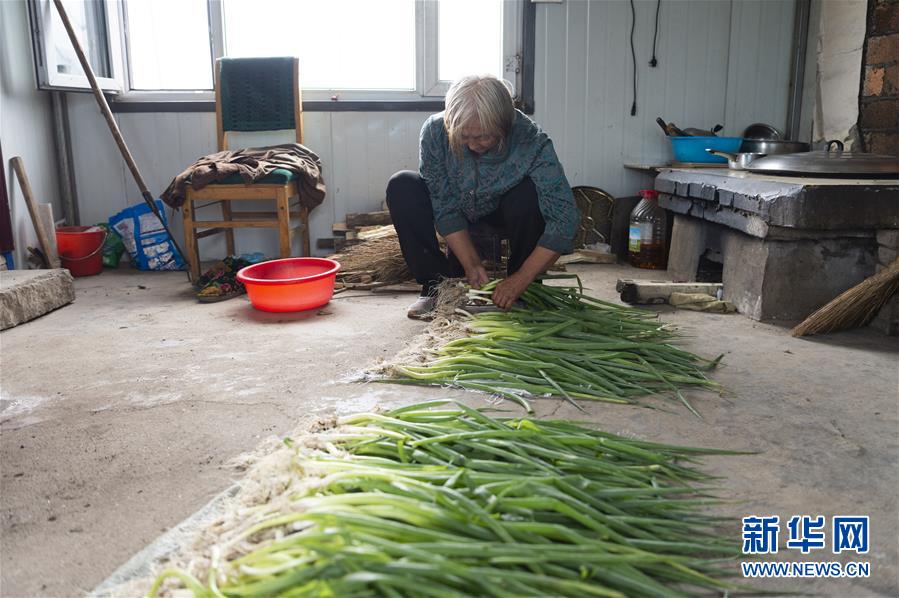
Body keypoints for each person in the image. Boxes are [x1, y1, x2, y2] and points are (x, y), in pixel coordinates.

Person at [386, 74, 578, 319]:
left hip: (503, 214)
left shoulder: (530, 140)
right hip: (458, 216)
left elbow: (564, 219)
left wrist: (521, 279)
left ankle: (523, 292)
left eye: (483, 137)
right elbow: (443, 205)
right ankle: (436, 289)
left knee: (527, 194)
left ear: (504, 125)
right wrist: (471, 264)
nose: (473, 145)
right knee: (403, 185)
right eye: (464, 137)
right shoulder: (435, 131)